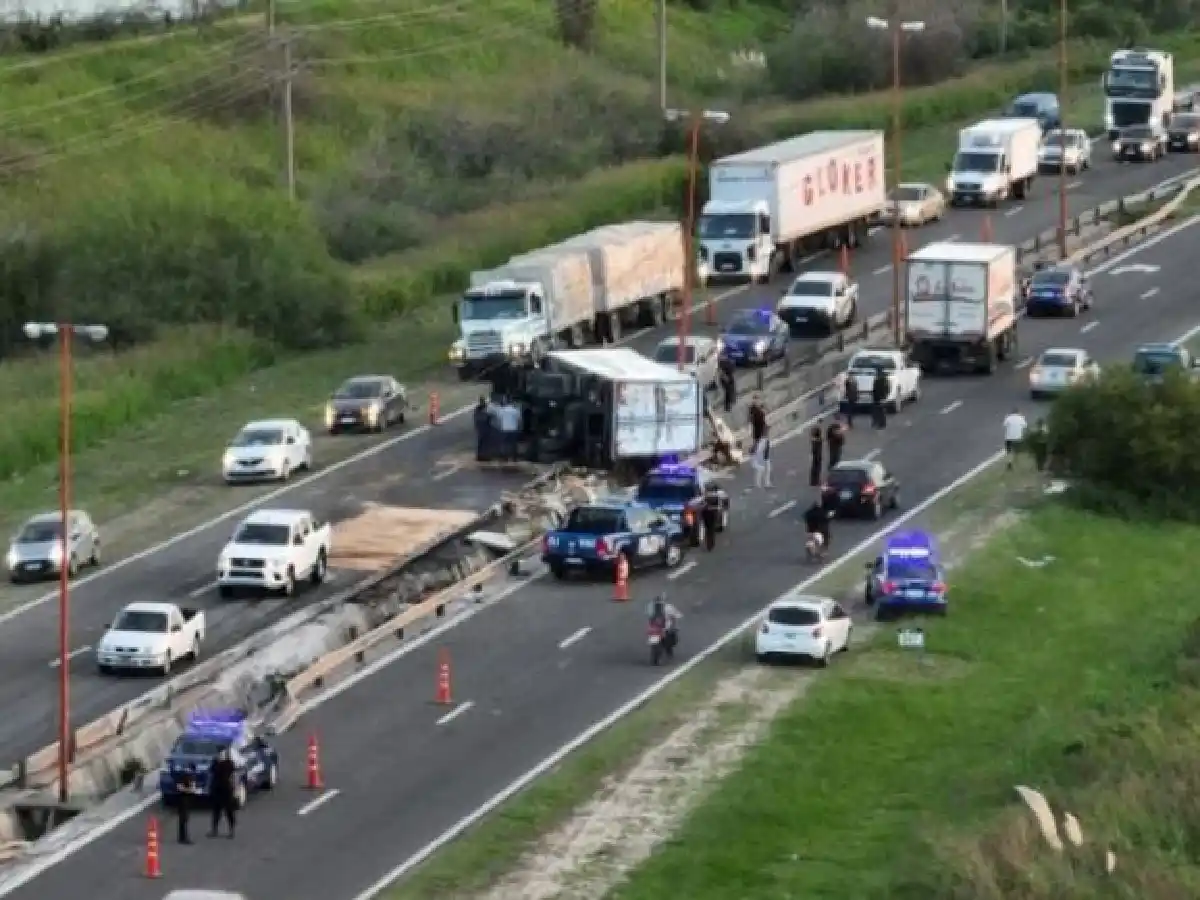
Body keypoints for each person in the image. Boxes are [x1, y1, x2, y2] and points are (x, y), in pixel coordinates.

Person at [208, 748, 238, 839]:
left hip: (227, 789)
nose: (220, 755)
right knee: (216, 810)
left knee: (229, 810)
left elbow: (233, 774)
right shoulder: (215, 762)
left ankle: (231, 830)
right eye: (219, 753)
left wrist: (235, 787)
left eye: (222, 753)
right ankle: (214, 830)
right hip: (217, 789)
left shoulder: (229, 763)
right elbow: (211, 771)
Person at [748, 398, 771, 489]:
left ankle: (759, 483)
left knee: (761, 460)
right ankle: (766, 482)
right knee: (765, 461)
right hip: (762, 439)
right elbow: (763, 426)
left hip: (758, 438)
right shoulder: (760, 414)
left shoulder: (753, 415)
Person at [802, 497, 831, 561]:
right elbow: (826, 520)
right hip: (818, 531)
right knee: (825, 540)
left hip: (810, 532)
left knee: (811, 541)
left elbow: (805, 517)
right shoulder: (822, 513)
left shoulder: (809, 513)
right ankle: (821, 554)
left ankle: (811, 554)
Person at [496, 396, 523, 462]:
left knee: (504, 444)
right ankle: (514, 457)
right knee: (513, 444)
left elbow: (499, 420)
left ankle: (505, 457)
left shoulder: (501, 410)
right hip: (513, 429)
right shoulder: (516, 410)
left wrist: (499, 427)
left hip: (504, 429)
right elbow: (519, 420)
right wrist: (519, 428)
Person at [175, 769, 197, 844]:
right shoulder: (181, 781)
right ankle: (183, 837)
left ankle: (182, 837)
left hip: (186, 800)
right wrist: (189, 790)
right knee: (183, 819)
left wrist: (187, 790)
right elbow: (182, 789)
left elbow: (192, 789)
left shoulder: (191, 781)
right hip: (183, 800)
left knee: (184, 819)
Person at [473, 396, 492, 462]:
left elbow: (476, 418)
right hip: (485, 426)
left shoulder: (477, 408)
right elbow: (489, 416)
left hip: (480, 426)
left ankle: (480, 456)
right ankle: (486, 456)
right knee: (486, 442)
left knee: (481, 442)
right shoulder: (486, 408)